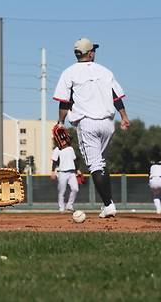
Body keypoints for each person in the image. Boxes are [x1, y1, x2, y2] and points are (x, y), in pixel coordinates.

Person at [52, 38, 130, 218]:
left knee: (95, 165)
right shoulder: (105, 71)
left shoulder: (69, 72)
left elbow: (65, 101)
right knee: (100, 164)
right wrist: (124, 117)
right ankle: (107, 204)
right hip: (108, 124)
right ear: (91, 53)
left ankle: (109, 205)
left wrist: (61, 122)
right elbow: (116, 96)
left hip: (87, 123)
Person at [50, 134, 81, 212]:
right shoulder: (57, 149)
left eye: (65, 140)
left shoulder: (70, 149)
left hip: (72, 172)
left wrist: (77, 169)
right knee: (61, 191)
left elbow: (74, 160)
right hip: (62, 172)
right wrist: (53, 171)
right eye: (63, 140)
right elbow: (54, 161)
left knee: (75, 189)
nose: (64, 142)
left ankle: (69, 205)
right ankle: (61, 207)